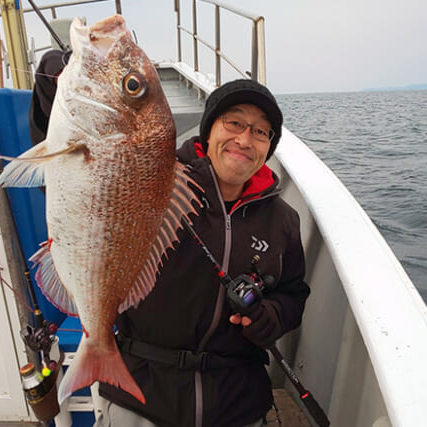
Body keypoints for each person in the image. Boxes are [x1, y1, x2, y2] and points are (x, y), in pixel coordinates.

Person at [29, 58, 310, 426]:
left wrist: (269, 318)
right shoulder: (154, 182)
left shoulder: (283, 219)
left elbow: (293, 295)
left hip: (237, 403)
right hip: (143, 395)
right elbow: (79, 182)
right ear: (208, 130)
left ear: (268, 146)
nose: (245, 139)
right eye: (235, 123)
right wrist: (59, 80)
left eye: (261, 132)